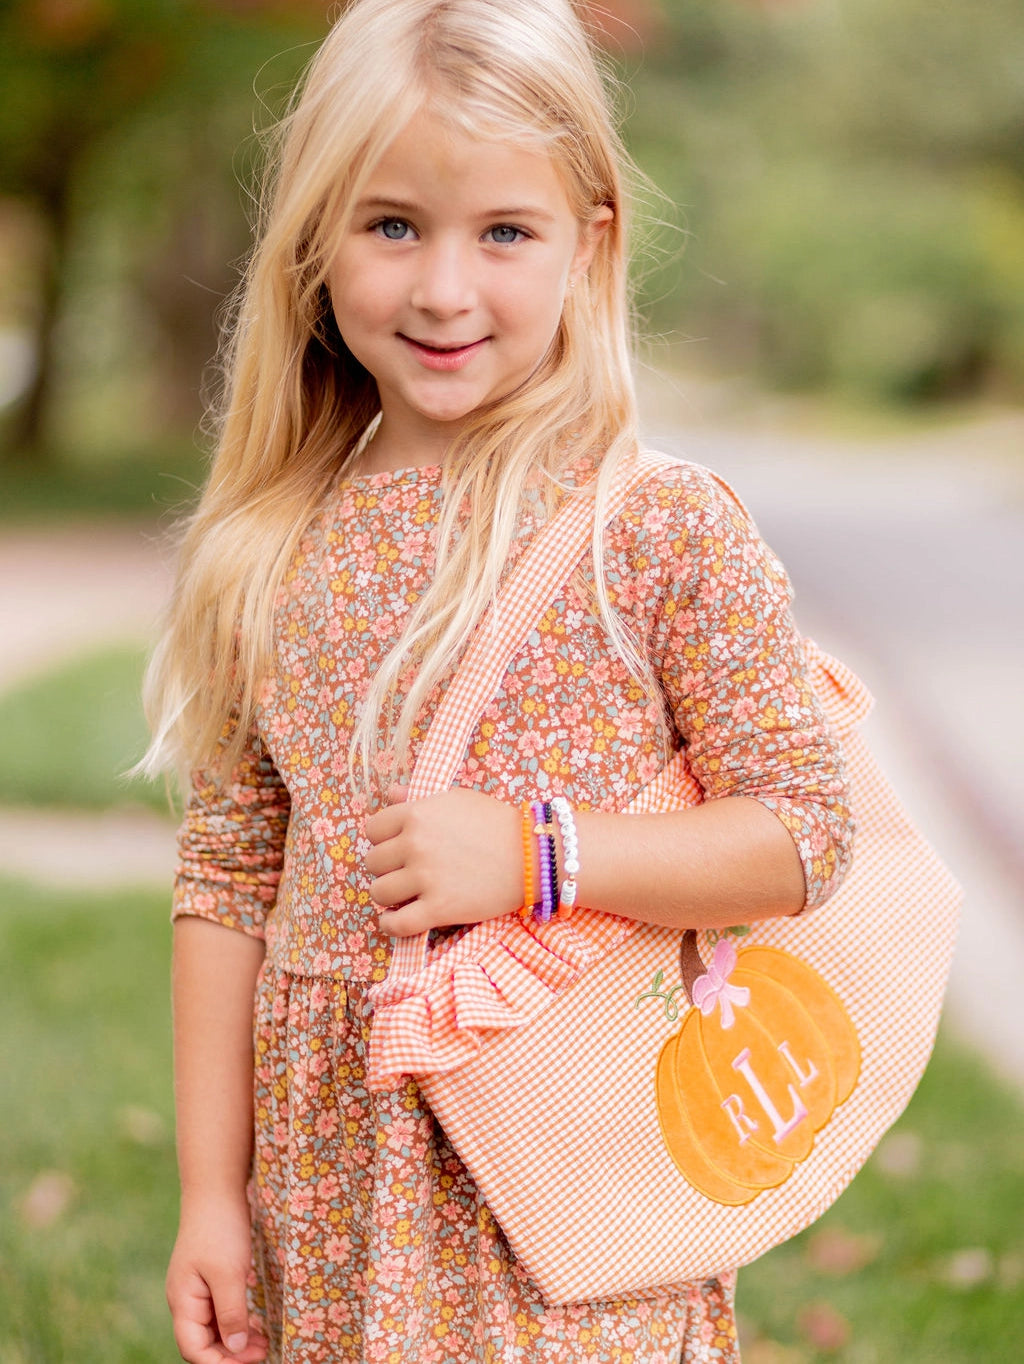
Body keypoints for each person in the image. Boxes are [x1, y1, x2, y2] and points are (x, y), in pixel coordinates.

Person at [142, 1, 854, 1360]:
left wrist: (539, 855)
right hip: (334, 1196)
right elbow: (230, 872)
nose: (445, 291)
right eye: (392, 224)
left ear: (590, 241)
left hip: (568, 1208)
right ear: (313, 238)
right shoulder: (269, 547)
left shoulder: (653, 530)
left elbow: (804, 834)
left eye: (504, 233)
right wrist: (210, 1198)